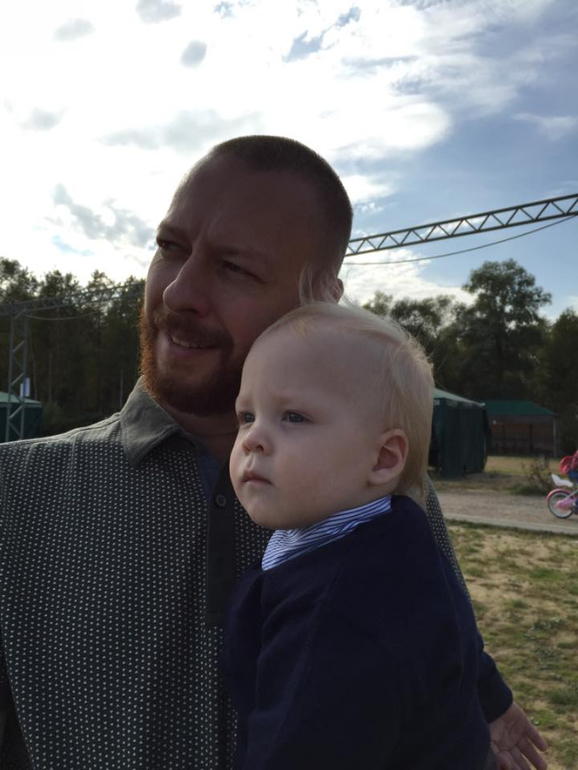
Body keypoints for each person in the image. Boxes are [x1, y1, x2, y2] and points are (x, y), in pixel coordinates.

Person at [0, 135, 547, 769]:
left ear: (321, 301)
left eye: (234, 267)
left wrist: (484, 703)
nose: (177, 292)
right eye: (170, 248)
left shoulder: (375, 494)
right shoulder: (17, 490)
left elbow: (439, 647)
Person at [223, 302, 507, 769]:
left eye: (293, 417)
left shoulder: (341, 616)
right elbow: (455, 629)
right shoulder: (399, 535)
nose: (252, 438)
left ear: (383, 459)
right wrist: (491, 695)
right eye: (247, 416)